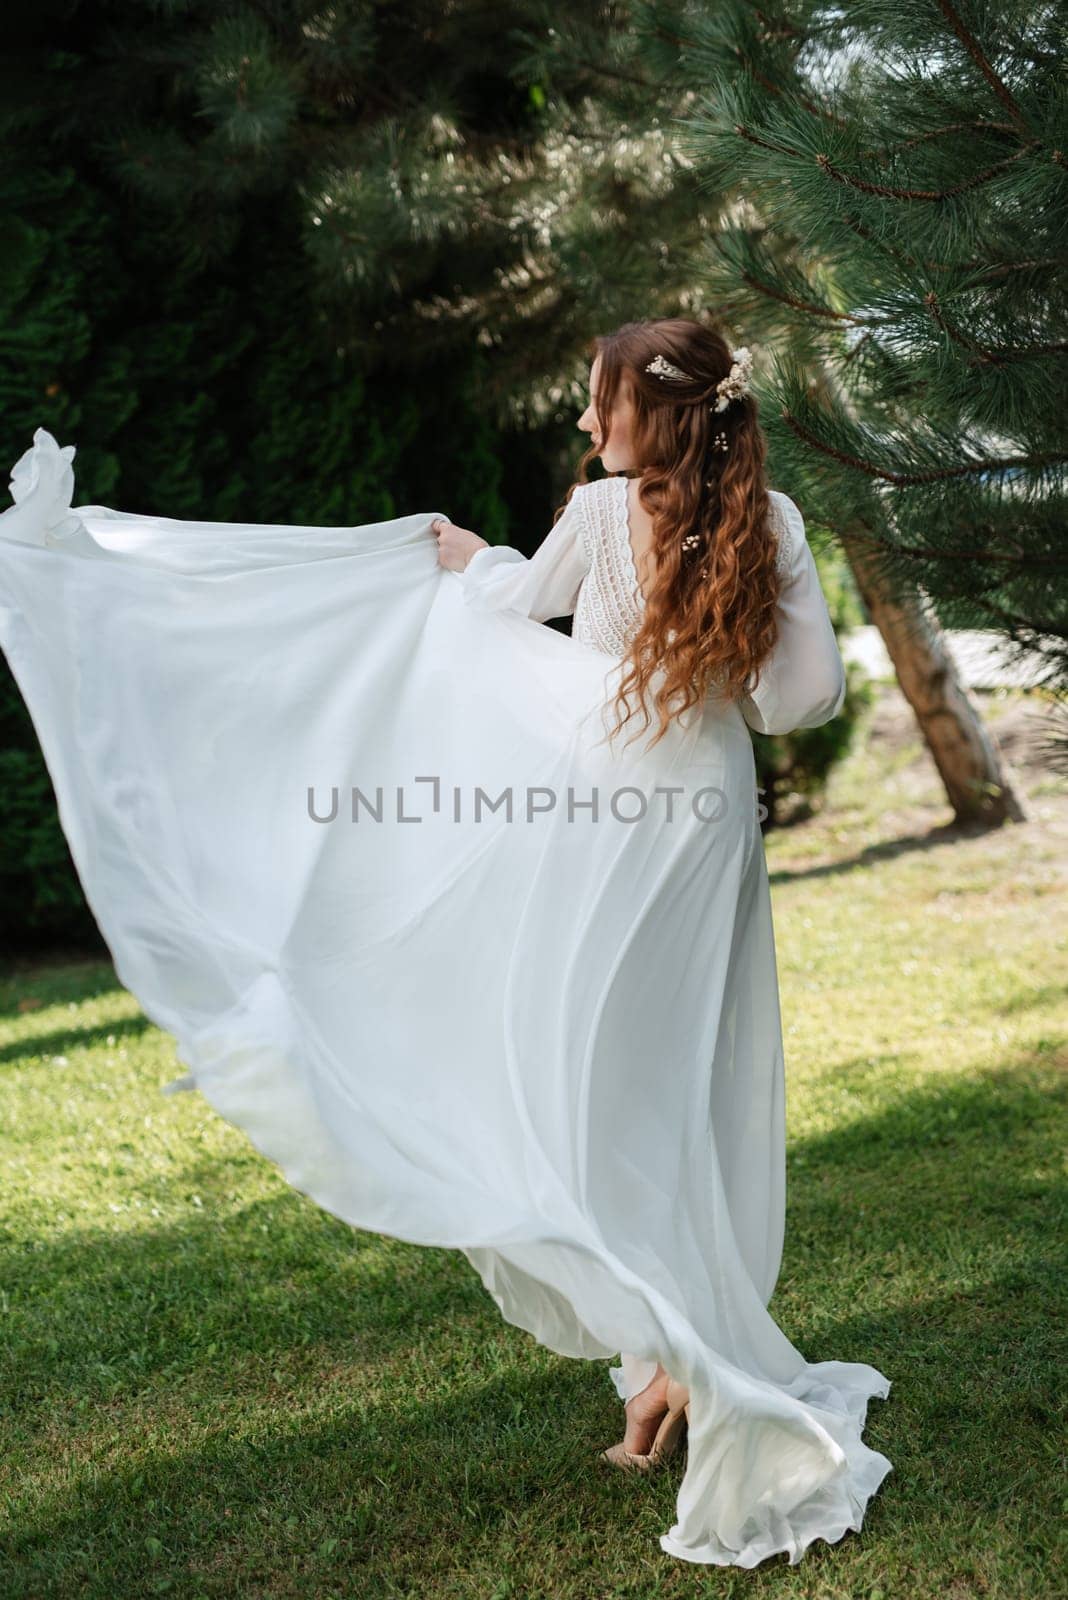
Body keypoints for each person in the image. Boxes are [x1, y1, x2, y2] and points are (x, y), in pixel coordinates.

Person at [0, 316, 891, 1569]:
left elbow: (509, 607)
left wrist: (475, 563)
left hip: (600, 818)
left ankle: (674, 1360)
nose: (588, 425)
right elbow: (796, 702)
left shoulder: (593, 518)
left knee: (585, 1088)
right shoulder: (772, 520)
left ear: (656, 417)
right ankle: (671, 1360)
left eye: (603, 405)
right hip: (703, 823)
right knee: (679, 1086)